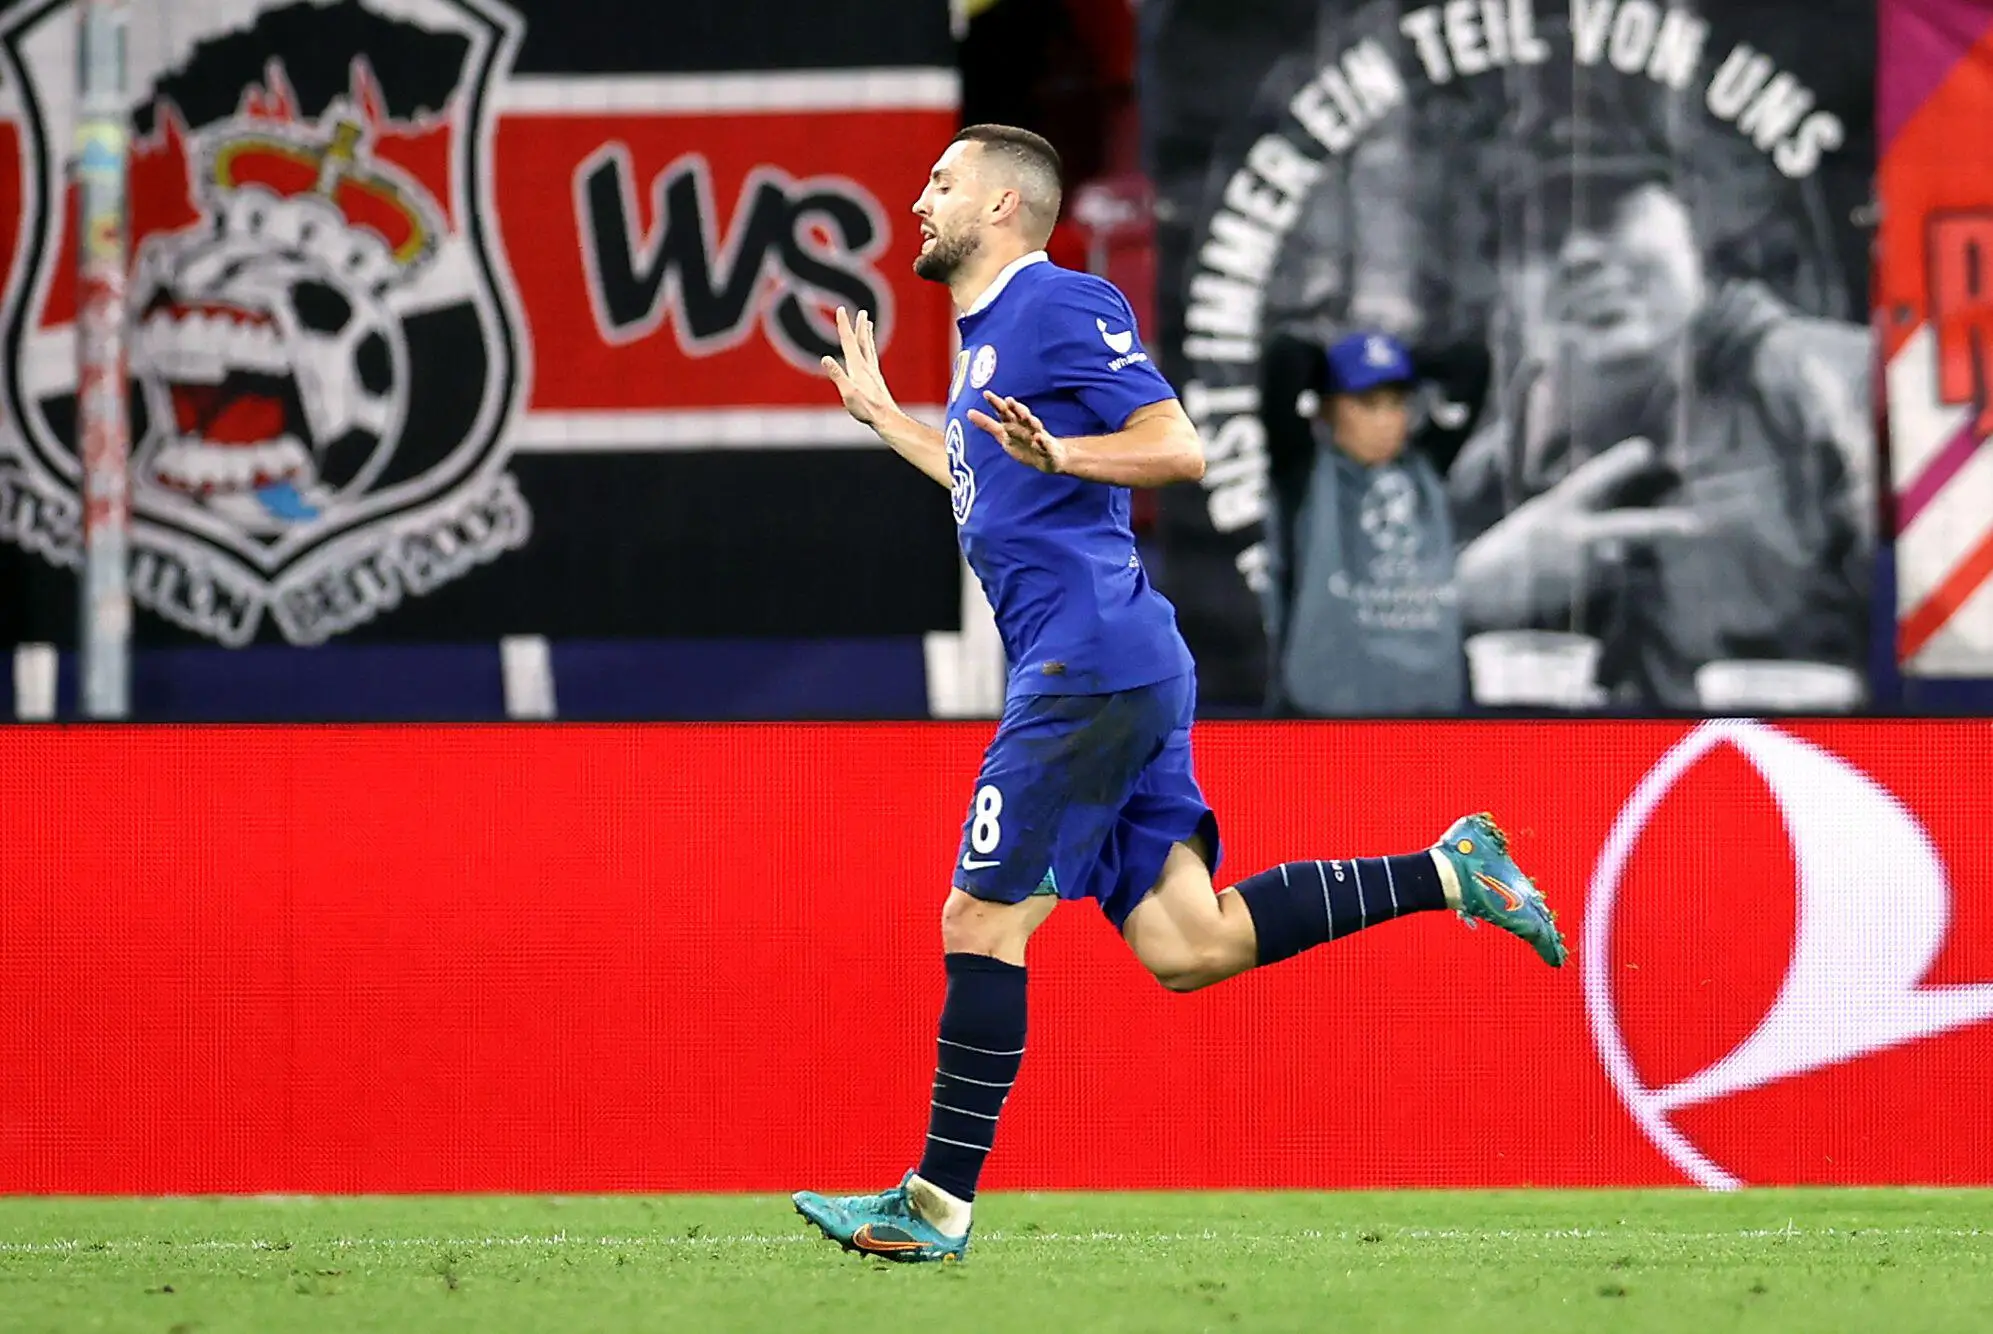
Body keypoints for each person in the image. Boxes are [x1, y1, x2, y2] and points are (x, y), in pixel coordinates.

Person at [792, 123, 1566, 1265]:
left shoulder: (1059, 303)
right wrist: (895, 425)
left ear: (1005, 206)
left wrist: (1073, 457)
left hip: (1087, 662)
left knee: (980, 917)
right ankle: (1453, 869)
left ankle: (934, 1206)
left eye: (941, 183)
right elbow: (990, 480)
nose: (920, 200)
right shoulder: (986, 343)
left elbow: (1177, 445)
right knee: (1190, 942)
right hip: (1115, 661)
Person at [1449, 113, 1872, 711]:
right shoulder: (1497, 462)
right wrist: (1467, 595)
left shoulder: (1838, 389)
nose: (1577, 255)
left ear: (1693, 228)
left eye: (1607, 211)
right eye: (1538, 237)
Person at [1262, 330, 1465, 717]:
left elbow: (1471, 362)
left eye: (1396, 404)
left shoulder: (1428, 467)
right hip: (1324, 722)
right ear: (1328, 408)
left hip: (1430, 721)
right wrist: (1334, 369)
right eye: (1368, 404)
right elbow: (1284, 357)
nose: (1387, 421)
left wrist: (1399, 360)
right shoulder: (1303, 470)